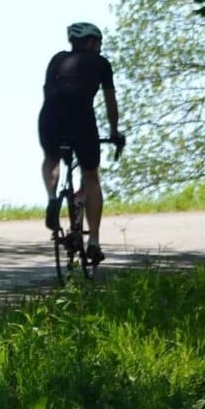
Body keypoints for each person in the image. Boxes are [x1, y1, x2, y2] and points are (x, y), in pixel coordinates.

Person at [38, 21, 124, 264]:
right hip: (81, 118)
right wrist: (114, 131)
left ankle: (53, 198)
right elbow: (110, 101)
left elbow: (48, 91)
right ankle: (93, 241)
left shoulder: (57, 60)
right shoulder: (101, 63)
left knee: (51, 158)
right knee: (91, 176)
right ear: (92, 42)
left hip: (50, 115)